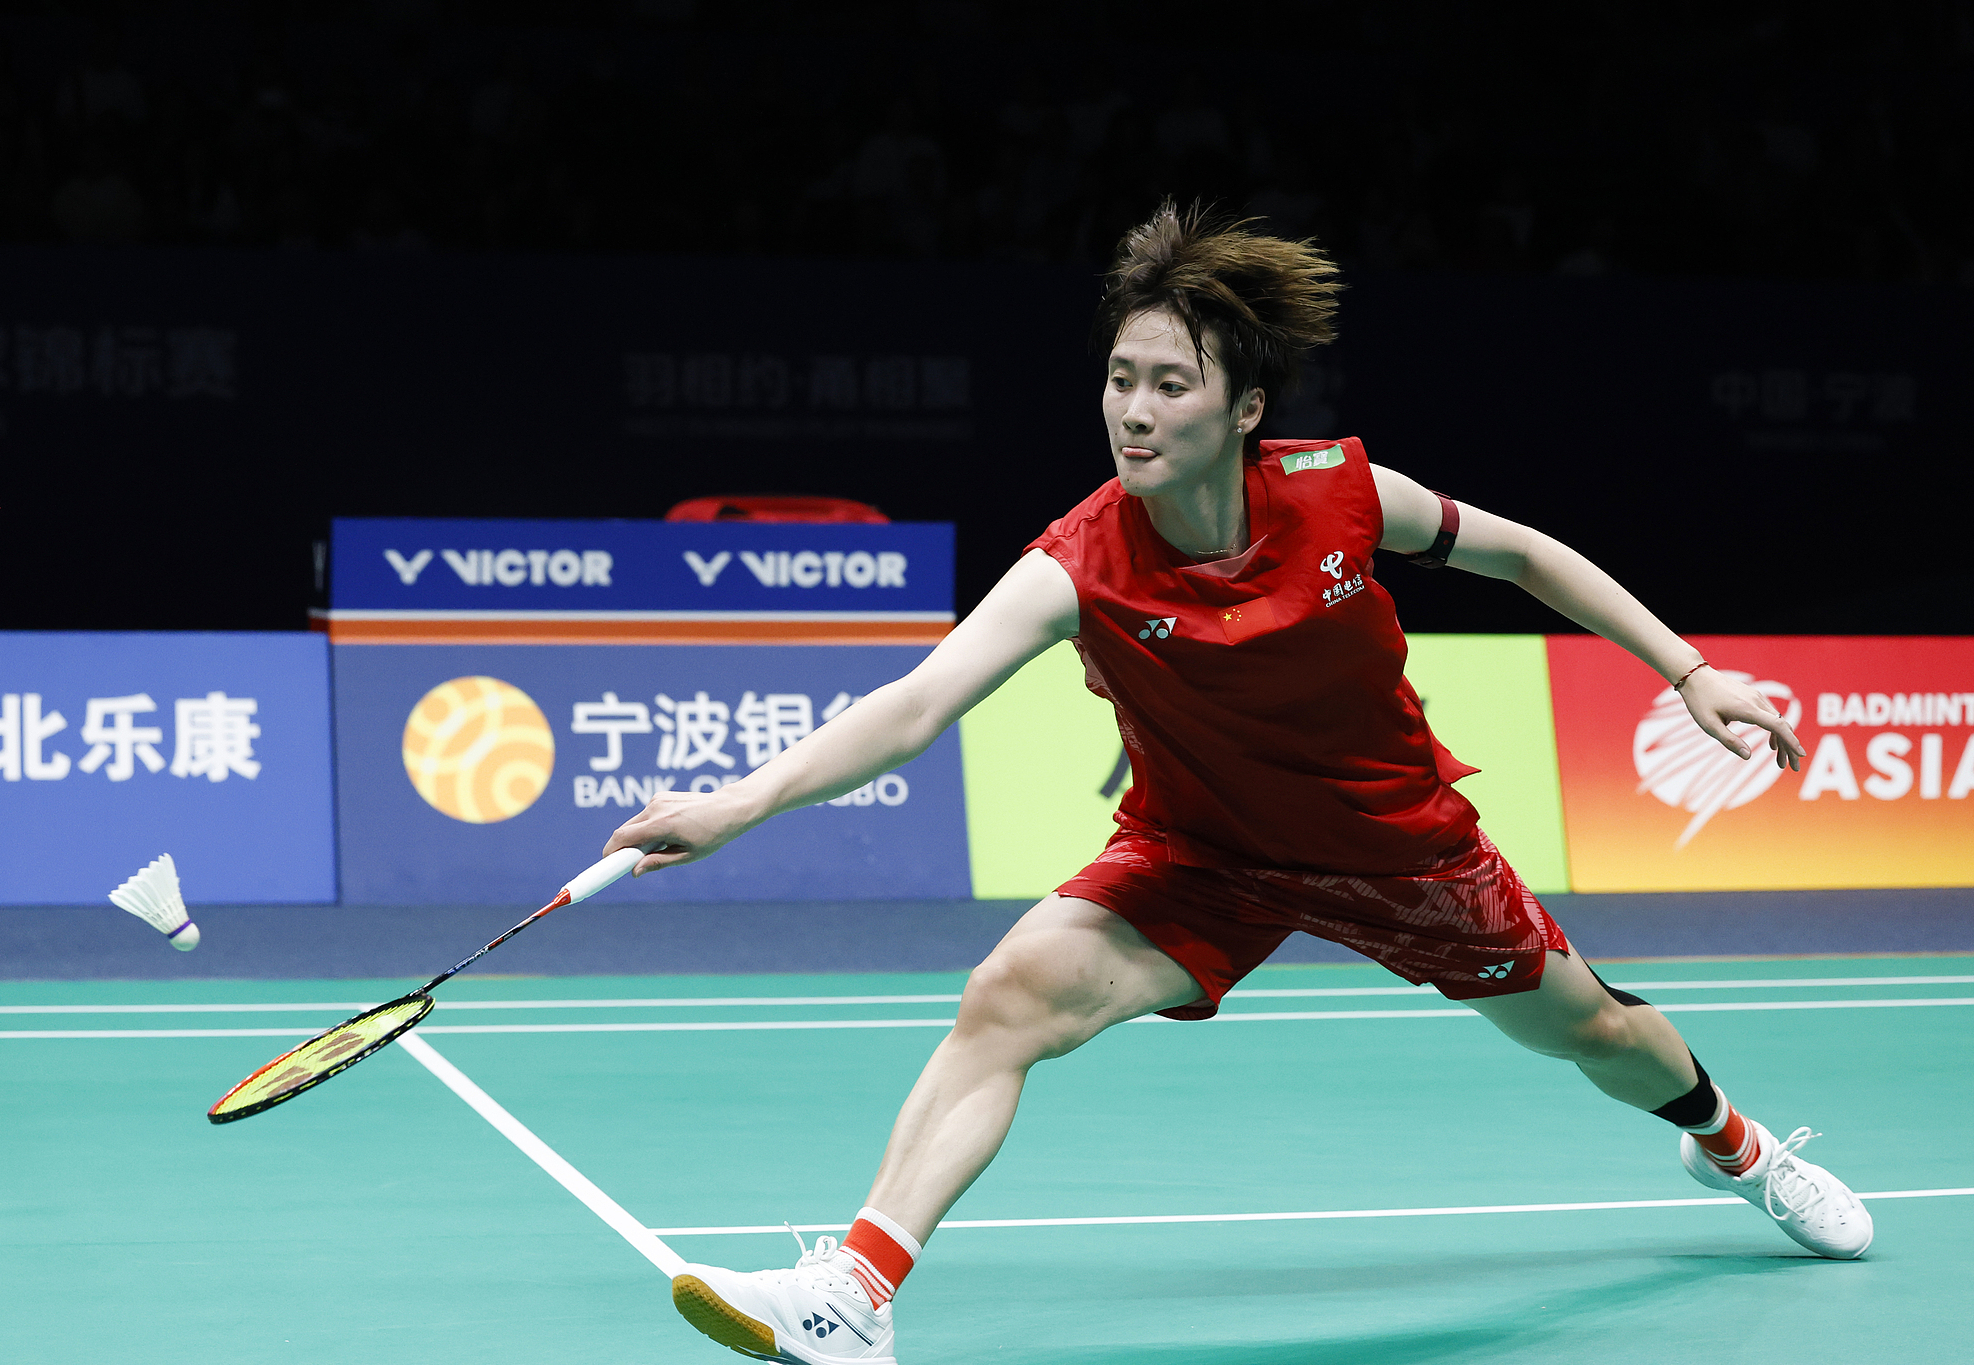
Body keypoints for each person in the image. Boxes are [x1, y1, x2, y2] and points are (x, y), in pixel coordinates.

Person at [608, 201, 1872, 1365]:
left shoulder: (1337, 497)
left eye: (1170, 384)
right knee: (1009, 994)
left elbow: (1526, 555)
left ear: (1246, 407)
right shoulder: (1082, 557)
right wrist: (738, 803)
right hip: (1198, 852)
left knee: (1591, 1031)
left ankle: (1738, 1148)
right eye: (1118, 379)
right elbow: (914, 705)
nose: (1133, 411)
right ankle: (854, 1294)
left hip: (1398, 849)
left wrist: (1687, 670)